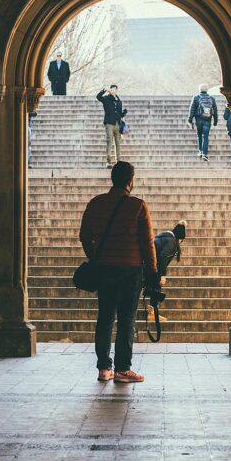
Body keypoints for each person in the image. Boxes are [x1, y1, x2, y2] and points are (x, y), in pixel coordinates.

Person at [79, 161, 157, 383]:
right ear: (130, 181)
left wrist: (94, 256)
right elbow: (147, 243)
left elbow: (84, 235)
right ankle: (123, 369)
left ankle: (104, 368)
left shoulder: (96, 204)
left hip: (104, 269)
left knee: (105, 317)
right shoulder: (138, 206)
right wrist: (152, 271)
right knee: (126, 319)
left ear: (112, 179)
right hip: (131, 271)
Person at [148, 220, 187, 323]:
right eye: (181, 241)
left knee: (153, 285)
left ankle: (151, 312)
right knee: (158, 284)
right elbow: (163, 255)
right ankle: (152, 313)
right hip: (151, 264)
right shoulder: (172, 241)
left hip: (148, 262)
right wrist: (162, 275)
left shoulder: (163, 236)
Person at [97, 85, 127, 169]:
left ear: (117, 91)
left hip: (118, 124)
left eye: (114, 90)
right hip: (109, 123)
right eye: (112, 89)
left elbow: (120, 114)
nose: (113, 91)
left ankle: (118, 162)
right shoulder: (106, 98)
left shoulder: (119, 101)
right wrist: (104, 90)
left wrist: (123, 113)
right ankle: (108, 161)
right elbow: (98, 97)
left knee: (118, 143)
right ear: (110, 90)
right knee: (109, 141)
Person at [188, 85, 218, 161]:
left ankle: (200, 151)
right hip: (208, 120)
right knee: (206, 136)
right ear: (207, 90)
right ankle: (205, 154)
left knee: (199, 135)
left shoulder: (196, 98)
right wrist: (215, 122)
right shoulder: (212, 99)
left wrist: (190, 120)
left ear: (199, 90)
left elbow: (191, 110)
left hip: (198, 119)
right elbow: (215, 111)